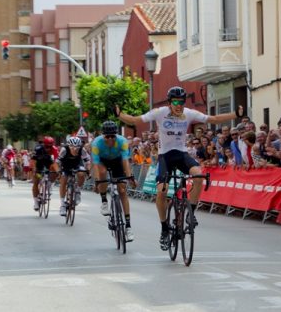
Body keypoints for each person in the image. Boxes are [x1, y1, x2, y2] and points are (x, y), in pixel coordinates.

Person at [116, 86, 244, 251]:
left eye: (182, 102)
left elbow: (214, 119)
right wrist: (119, 115)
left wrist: (236, 115)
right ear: (169, 103)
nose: (179, 105)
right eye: (175, 102)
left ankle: (190, 212)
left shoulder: (189, 113)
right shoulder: (160, 112)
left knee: (198, 175)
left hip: (181, 154)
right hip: (165, 156)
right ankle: (164, 228)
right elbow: (134, 120)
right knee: (161, 191)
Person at [90, 121, 135, 241]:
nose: (110, 139)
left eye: (112, 136)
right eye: (107, 136)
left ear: (116, 135)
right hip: (102, 161)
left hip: (117, 162)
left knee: (122, 190)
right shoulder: (96, 143)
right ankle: (104, 201)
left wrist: (130, 177)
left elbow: (125, 161)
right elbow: (95, 164)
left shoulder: (122, 142)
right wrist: (96, 181)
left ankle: (128, 227)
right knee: (103, 173)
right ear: (102, 135)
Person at [56, 136, 90, 216]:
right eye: (73, 148)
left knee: (81, 174)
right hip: (66, 165)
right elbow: (57, 162)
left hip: (77, 164)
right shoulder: (64, 149)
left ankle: (77, 190)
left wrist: (88, 171)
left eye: (77, 148)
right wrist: (58, 171)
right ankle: (62, 205)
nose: (75, 150)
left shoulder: (82, 150)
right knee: (63, 181)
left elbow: (87, 161)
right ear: (69, 146)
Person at [31, 136, 59, 212]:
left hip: (49, 163)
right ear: (44, 144)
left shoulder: (55, 149)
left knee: (55, 172)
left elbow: (56, 162)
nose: (48, 148)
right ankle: (36, 201)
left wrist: (58, 172)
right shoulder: (38, 149)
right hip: (39, 165)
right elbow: (33, 161)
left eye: (50, 146)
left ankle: (49, 186)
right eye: (47, 146)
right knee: (36, 182)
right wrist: (34, 170)